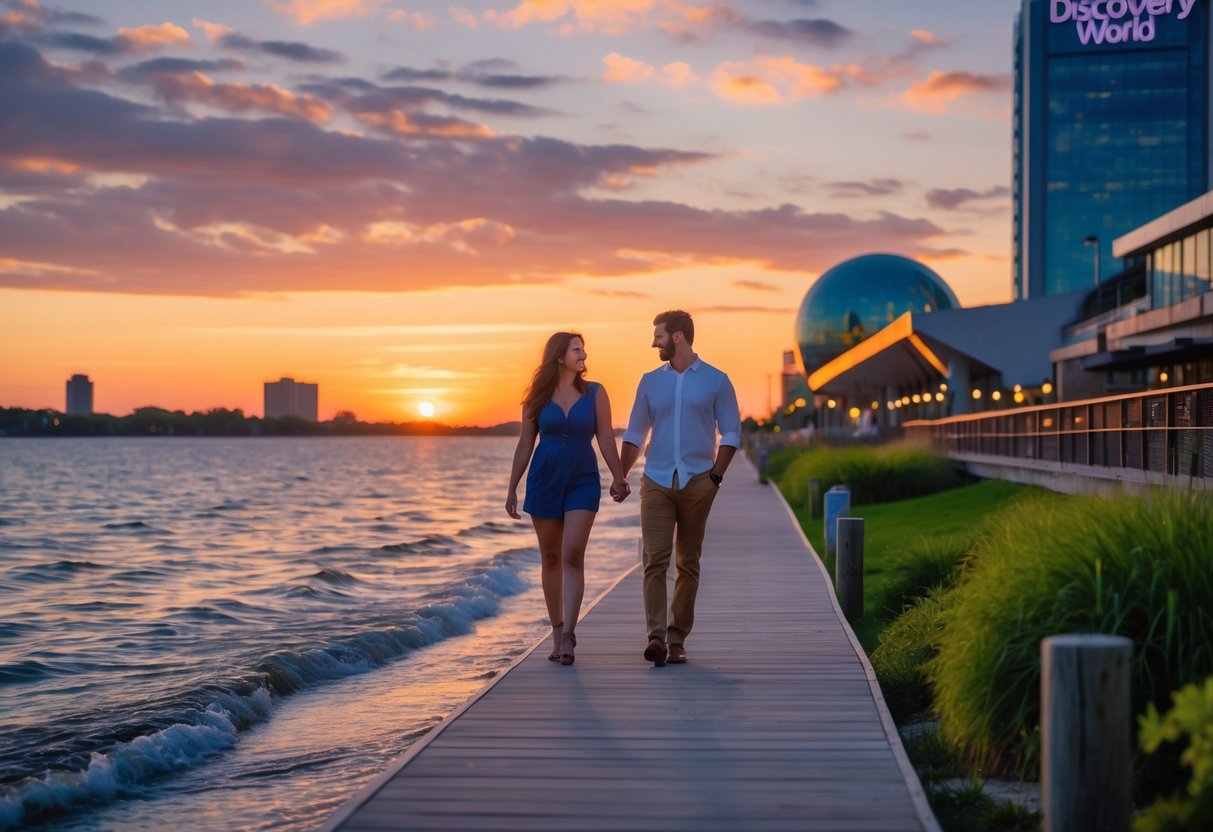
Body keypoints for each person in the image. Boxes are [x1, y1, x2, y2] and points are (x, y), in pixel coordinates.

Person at [620, 310, 741, 666]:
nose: (652, 342)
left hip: (698, 482)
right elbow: (635, 433)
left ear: (677, 337)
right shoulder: (649, 381)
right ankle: (655, 637)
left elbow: (731, 433)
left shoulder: (717, 381)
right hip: (656, 480)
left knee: (688, 562)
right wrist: (620, 475)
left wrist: (715, 478)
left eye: (657, 335)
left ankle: (676, 639)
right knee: (654, 560)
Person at [506, 332, 630, 666]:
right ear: (559, 357)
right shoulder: (537, 397)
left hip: (582, 480)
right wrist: (512, 488)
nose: (583, 353)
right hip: (544, 479)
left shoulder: (595, 392)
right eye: (577, 349)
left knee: (572, 554)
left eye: (583, 348)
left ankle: (571, 635)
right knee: (550, 558)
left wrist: (619, 476)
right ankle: (557, 631)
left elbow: (605, 436)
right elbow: (523, 445)